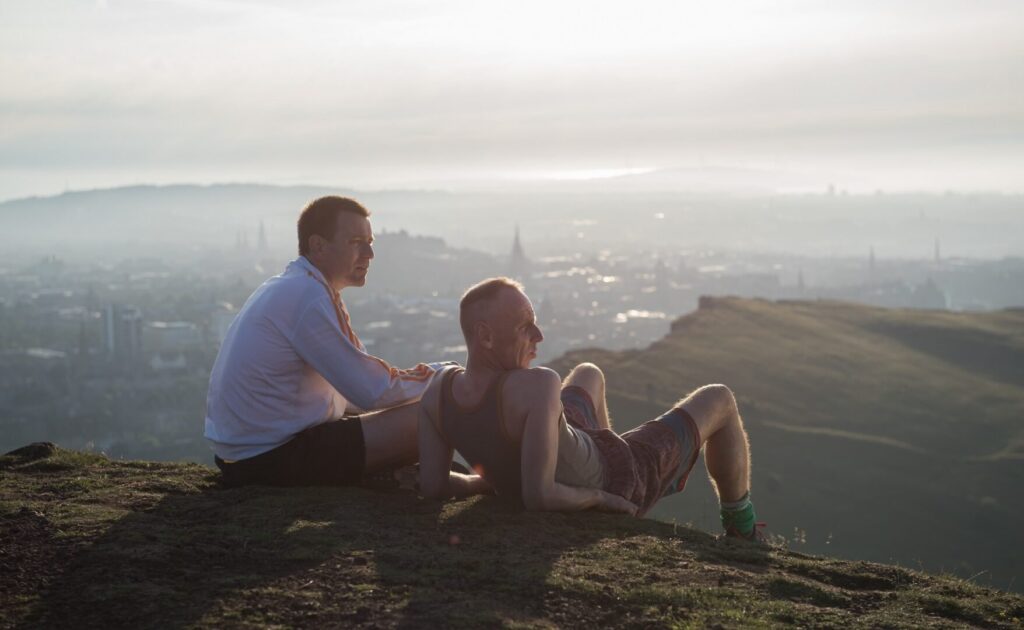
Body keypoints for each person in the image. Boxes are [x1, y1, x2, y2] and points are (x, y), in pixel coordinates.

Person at [418, 277, 763, 540]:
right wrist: (602, 498)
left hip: (574, 440)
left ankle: (604, 442)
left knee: (588, 372)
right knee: (719, 399)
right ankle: (742, 529)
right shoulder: (538, 385)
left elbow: (433, 485)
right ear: (486, 336)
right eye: (525, 326)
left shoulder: (437, 391)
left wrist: (483, 483)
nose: (538, 335)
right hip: (620, 477)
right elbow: (540, 496)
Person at [205, 196, 444, 487]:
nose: (369, 253)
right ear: (318, 245)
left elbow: (356, 393)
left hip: (246, 455)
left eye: (370, 242)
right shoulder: (308, 296)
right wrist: (446, 377)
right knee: (443, 409)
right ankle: (467, 483)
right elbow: (375, 391)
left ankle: (418, 476)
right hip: (270, 459)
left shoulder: (296, 285)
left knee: (425, 410)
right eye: (356, 241)